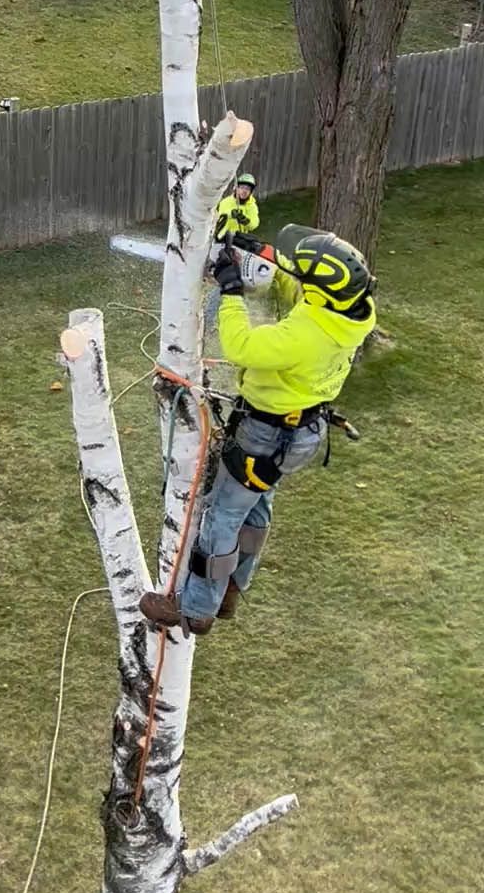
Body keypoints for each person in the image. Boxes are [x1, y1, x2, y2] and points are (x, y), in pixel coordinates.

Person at [141, 225, 376, 635]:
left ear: (321, 292)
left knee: (223, 516)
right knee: (257, 506)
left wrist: (231, 292)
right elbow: (298, 291)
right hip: (300, 432)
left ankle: (196, 608)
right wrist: (263, 256)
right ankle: (233, 586)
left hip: (266, 434)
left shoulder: (308, 335)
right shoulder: (347, 314)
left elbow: (241, 347)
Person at [205, 172, 260, 327]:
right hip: (224, 245)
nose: (243, 191)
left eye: (247, 189)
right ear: (236, 188)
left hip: (240, 247)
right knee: (224, 281)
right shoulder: (227, 202)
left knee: (240, 282)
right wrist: (231, 214)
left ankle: (235, 316)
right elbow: (221, 217)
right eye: (241, 187)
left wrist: (245, 219)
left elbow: (254, 223)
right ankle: (209, 318)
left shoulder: (251, 205)